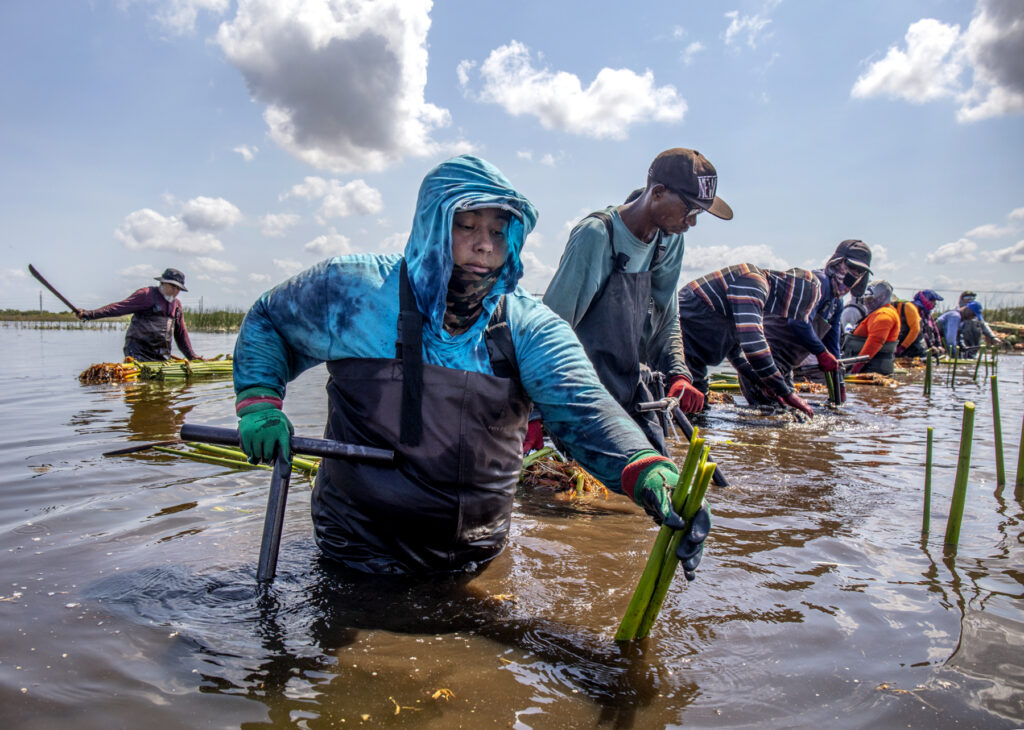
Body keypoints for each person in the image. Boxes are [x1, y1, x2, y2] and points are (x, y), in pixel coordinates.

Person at [231, 155, 709, 576]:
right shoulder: (353, 291)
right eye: (467, 226)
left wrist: (646, 468)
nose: (485, 245)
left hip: (475, 554)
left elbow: (585, 408)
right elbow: (270, 320)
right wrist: (259, 401)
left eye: (498, 231)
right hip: (355, 549)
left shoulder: (525, 325)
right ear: (432, 226)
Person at [541, 148, 731, 455]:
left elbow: (667, 316)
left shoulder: (669, 240)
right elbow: (549, 332)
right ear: (657, 193)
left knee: (661, 475)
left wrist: (679, 374)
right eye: (690, 210)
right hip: (582, 395)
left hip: (632, 386)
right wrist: (535, 414)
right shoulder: (598, 236)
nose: (692, 223)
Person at [738, 240, 871, 406]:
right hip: (765, 362)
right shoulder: (817, 284)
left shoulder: (836, 303)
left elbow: (832, 344)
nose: (853, 276)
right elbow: (798, 323)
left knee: (788, 417)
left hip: (786, 367)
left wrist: (840, 382)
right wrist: (821, 354)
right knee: (769, 419)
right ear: (837, 263)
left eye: (859, 272)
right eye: (851, 268)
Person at [676, 264, 820, 418]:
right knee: (685, 408)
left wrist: (761, 381)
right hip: (684, 335)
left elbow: (735, 351)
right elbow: (753, 345)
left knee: (698, 409)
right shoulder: (753, 282)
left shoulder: (757, 292)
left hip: (696, 350)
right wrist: (786, 392)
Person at [76, 268, 202, 362]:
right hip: (138, 353)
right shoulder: (146, 295)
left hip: (161, 356)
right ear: (162, 283)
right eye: (172, 286)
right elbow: (118, 308)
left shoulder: (177, 306)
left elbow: (181, 334)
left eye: (178, 288)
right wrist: (89, 314)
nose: (175, 291)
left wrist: (191, 356)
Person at [840, 280, 899, 374]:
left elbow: (875, 341)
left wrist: (857, 366)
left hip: (871, 369)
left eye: (871, 300)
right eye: (866, 300)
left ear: (882, 298)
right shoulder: (877, 313)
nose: (868, 303)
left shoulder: (884, 315)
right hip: (866, 367)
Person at [899, 289, 944, 358]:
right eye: (933, 301)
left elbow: (935, 331)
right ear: (926, 299)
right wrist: (931, 346)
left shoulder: (928, 314)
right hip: (912, 349)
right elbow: (922, 331)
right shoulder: (914, 309)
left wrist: (938, 345)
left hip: (926, 349)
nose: (934, 304)